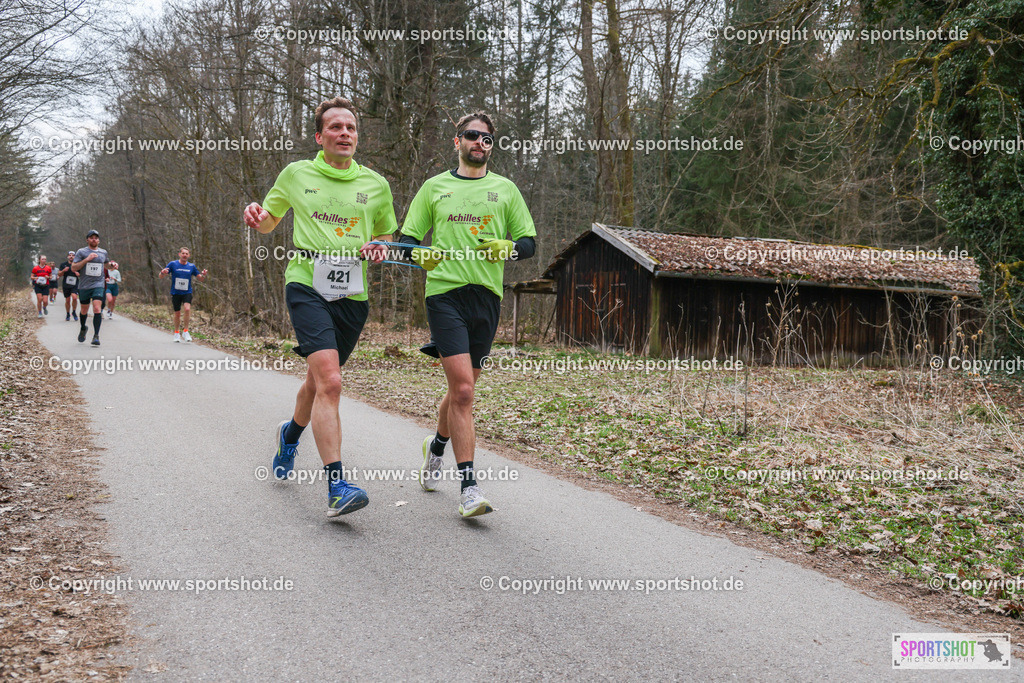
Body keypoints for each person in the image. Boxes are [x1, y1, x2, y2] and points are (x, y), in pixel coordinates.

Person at [243, 96, 395, 517]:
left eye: (350, 127)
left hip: (353, 293)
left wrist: (380, 247)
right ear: (319, 136)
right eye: (335, 127)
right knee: (331, 381)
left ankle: (290, 435)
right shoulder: (297, 174)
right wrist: (257, 215)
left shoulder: (376, 185)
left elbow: (385, 235)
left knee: (318, 381)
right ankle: (337, 486)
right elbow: (270, 221)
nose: (344, 133)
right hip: (306, 282)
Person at [399, 111, 537, 518]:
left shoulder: (506, 189)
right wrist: (421, 255)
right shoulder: (434, 188)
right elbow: (407, 242)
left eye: (487, 138)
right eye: (472, 136)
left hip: (486, 299)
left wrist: (506, 247)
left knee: (463, 390)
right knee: (462, 392)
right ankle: (469, 489)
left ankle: (435, 447)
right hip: (444, 295)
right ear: (456, 141)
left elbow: (528, 243)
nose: (480, 143)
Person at [71, 230, 111, 346]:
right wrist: (87, 259)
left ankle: (96, 336)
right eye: (91, 237)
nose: (94, 239)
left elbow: (107, 264)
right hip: (84, 285)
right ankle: (83, 328)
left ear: (98, 240)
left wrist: (112, 266)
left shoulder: (103, 252)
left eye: (96, 238)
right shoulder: (81, 252)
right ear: (87, 240)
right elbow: (74, 267)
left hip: (98, 284)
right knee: (84, 310)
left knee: (97, 308)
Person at [159, 248, 206, 342]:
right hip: (176, 292)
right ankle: (176, 333)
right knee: (177, 313)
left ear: (189, 255)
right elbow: (161, 276)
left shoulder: (191, 266)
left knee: (187, 309)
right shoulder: (173, 264)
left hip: (187, 291)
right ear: (179, 254)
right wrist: (162, 272)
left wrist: (203, 275)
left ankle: (185, 331)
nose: (185, 255)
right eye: (183, 253)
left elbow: (200, 279)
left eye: (187, 254)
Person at [58, 251, 79, 321]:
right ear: (67, 256)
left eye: (73, 255)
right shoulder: (63, 264)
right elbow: (59, 274)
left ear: (75, 257)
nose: (71, 256)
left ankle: (74, 312)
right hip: (66, 284)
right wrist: (64, 270)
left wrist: (77, 273)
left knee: (75, 298)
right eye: (70, 255)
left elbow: (81, 275)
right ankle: (67, 313)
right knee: (67, 300)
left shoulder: (77, 265)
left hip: (75, 284)